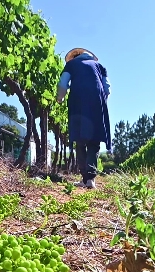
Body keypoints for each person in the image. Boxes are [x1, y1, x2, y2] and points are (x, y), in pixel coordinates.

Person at [56, 48, 111, 189]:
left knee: (80, 140)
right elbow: (107, 88)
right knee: (94, 141)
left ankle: (85, 178)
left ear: (75, 57)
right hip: (97, 102)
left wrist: (60, 98)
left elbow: (63, 83)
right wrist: (101, 102)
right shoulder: (99, 67)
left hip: (78, 102)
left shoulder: (71, 65)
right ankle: (91, 180)